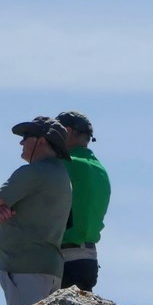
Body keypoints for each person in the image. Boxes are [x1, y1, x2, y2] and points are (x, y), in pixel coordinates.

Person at [0, 116, 72, 305]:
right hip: (51, 268)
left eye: (27, 136)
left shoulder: (32, 173)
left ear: (42, 140)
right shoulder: (62, 175)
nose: (21, 142)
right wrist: (0, 216)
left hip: (25, 268)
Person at [55, 111, 111, 291]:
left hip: (64, 258)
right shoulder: (100, 169)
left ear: (67, 131)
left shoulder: (63, 164)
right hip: (88, 259)